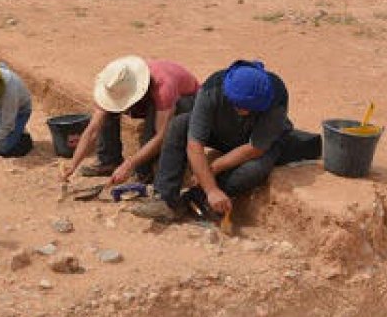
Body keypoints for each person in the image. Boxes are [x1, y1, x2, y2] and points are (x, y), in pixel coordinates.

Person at [132, 59, 309, 222]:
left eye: (249, 108)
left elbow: (255, 148)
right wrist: (211, 188)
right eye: (239, 106)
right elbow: (195, 145)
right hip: (222, 132)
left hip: (254, 140)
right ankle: (165, 199)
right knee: (178, 125)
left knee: (255, 169)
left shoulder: (276, 95)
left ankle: (195, 199)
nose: (244, 110)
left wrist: (212, 171)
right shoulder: (212, 88)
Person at [58, 56, 199, 185]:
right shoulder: (113, 86)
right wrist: (73, 164)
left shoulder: (163, 86)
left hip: (187, 101)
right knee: (108, 112)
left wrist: (129, 165)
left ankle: (147, 173)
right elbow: (92, 130)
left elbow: (161, 136)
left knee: (151, 133)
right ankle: (109, 161)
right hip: (149, 101)